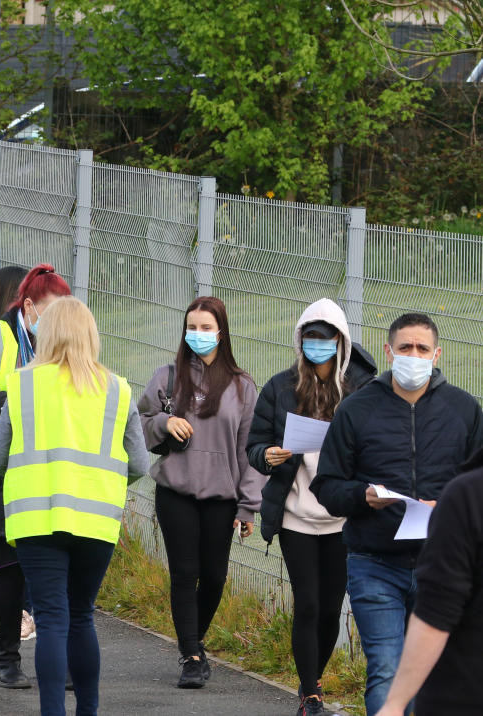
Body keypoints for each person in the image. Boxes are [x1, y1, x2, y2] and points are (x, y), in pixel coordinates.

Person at [312, 313, 483, 715]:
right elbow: (327, 485)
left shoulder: (464, 410)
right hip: (374, 563)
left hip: (442, 565)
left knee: (436, 675)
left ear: (437, 354)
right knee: (387, 668)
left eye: (422, 349)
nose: (413, 356)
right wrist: (362, 496)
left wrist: (450, 508)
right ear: (389, 351)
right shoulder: (356, 410)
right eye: (405, 347)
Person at [0, 296, 150, 716]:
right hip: (96, 521)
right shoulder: (117, 388)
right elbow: (139, 464)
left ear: (47, 333)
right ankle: (88, 711)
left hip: (36, 518)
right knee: (82, 615)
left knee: (51, 618)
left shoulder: (23, 384)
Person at [245, 300, 373, 716]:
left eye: (326, 338)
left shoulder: (359, 389)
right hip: (296, 514)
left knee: (332, 607)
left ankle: (312, 680)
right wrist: (269, 455)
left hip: (341, 518)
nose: (317, 345)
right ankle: (310, 693)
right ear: (300, 341)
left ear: (341, 342)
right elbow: (255, 443)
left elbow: (373, 444)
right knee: (309, 603)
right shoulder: (280, 387)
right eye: (310, 338)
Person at [137, 296, 263, 689]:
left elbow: (249, 452)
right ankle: (190, 655)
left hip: (222, 498)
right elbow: (138, 424)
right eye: (192, 327)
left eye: (206, 328)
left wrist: (248, 507)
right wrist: (164, 422)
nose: (198, 335)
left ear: (221, 333)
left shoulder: (242, 387)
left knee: (214, 576)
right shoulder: (167, 377)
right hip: (176, 491)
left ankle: (196, 639)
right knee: (184, 572)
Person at [0, 264, 72, 688]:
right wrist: (38, 395)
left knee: (50, 572)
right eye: (50, 312)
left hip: (46, 470)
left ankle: (58, 665)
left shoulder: (65, 345)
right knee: (6, 574)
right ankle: (8, 661)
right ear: (28, 306)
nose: (58, 323)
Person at [374, 444, 483, 716]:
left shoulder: (468, 495)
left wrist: (395, 704)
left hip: (462, 693)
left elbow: (437, 612)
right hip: (376, 556)